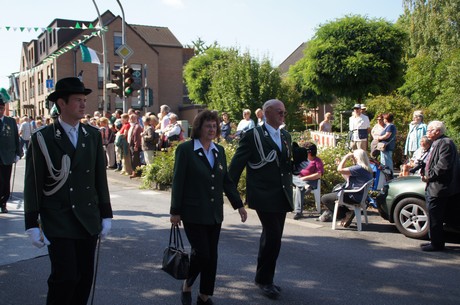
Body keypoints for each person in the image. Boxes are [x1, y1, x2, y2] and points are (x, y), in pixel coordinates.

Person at [23, 77, 113, 305]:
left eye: (84, 100)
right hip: (58, 218)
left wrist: (106, 214)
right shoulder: (42, 138)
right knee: (65, 278)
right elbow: (33, 184)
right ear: (61, 104)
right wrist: (32, 223)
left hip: (87, 218)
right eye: (77, 100)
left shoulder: (91, 136)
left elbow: (99, 179)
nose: (83, 104)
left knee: (84, 278)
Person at [170, 110, 247, 305]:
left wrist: (239, 205)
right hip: (193, 212)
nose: (212, 129)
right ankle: (187, 283)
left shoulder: (218, 151)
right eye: (208, 126)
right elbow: (178, 181)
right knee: (202, 253)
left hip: (214, 213)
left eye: (214, 126)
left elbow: (226, 181)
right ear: (199, 128)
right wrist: (175, 211)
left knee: (212, 256)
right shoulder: (186, 150)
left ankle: (204, 295)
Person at [229, 99, 292, 300]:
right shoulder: (252, 136)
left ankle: (265, 277)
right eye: (279, 112)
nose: (283, 115)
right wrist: (234, 198)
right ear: (267, 113)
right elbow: (235, 167)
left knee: (275, 238)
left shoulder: (285, 135)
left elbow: (286, 164)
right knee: (272, 235)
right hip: (263, 194)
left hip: (281, 194)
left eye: (284, 112)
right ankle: (264, 280)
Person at [420, 121, 460, 252]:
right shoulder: (438, 142)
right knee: (439, 216)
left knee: (436, 217)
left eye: (430, 130)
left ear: (437, 131)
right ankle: (435, 241)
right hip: (436, 187)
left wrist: (428, 176)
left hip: (439, 188)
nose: (427, 133)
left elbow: (443, 166)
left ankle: (436, 244)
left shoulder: (445, 143)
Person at [319, 149, 373, 226]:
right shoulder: (366, 169)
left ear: (357, 158)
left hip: (352, 196)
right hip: (360, 196)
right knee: (333, 194)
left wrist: (345, 157)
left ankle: (345, 214)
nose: (351, 159)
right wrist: (340, 165)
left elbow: (339, 170)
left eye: (352, 157)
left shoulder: (358, 168)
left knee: (325, 198)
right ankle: (346, 215)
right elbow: (346, 177)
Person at [0, 96, 23, 213]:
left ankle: (3, 203)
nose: (0, 111)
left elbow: (16, 138)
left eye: (2, 108)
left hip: (8, 156)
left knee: (5, 180)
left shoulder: (11, 121)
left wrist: (18, 153)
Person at [292, 142, 324, 220]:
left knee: (300, 187)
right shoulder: (302, 159)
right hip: (298, 179)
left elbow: (318, 175)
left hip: (310, 181)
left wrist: (304, 179)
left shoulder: (317, 161)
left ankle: (298, 212)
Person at [376, 113, 397, 177]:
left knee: (387, 161)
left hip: (387, 146)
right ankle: (386, 175)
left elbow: (387, 135)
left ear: (386, 119)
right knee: (383, 161)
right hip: (384, 147)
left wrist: (379, 137)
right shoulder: (387, 126)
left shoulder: (390, 126)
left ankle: (390, 175)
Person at [127, 113, 143, 178]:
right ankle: (135, 172)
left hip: (134, 145)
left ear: (135, 119)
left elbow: (137, 137)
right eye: (130, 118)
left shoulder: (137, 127)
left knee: (135, 159)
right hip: (131, 144)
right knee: (133, 158)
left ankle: (135, 172)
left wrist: (136, 146)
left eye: (132, 118)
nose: (130, 119)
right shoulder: (132, 126)